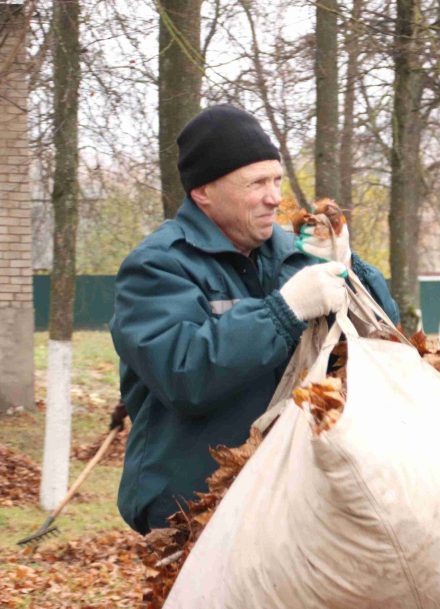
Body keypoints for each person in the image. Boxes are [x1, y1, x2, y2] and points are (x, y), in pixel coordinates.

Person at [110, 104, 399, 534]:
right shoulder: (157, 267)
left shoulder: (293, 253)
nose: (274, 197)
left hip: (292, 501)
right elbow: (184, 373)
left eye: (276, 180)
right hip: (194, 510)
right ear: (204, 192)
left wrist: (351, 268)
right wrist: (283, 312)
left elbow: (382, 343)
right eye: (257, 183)